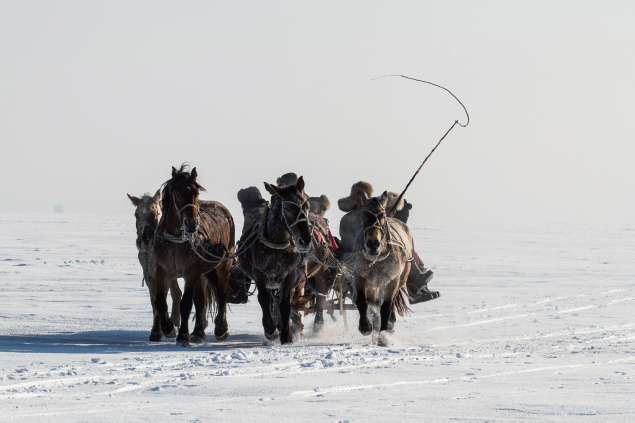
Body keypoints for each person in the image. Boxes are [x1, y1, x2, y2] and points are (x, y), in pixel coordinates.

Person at [337, 182, 440, 304]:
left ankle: (417, 283)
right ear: (353, 201)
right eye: (357, 200)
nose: (360, 202)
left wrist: (387, 218)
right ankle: (417, 282)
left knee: (403, 251)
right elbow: (347, 241)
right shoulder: (347, 219)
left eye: (362, 200)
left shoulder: (377, 216)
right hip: (356, 255)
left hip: (378, 252)